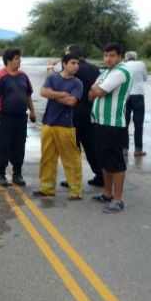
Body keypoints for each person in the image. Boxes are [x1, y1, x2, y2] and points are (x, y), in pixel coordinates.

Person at [89, 43, 132, 213]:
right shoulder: (107, 72)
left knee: (116, 161)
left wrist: (96, 87)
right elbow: (91, 94)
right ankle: (107, 193)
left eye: (112, 55)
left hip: (113, 124)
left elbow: (98, 92)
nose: (108, 58)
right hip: (100, 121)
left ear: (120, 56)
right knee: (104, 160)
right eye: (106, 55)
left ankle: (118, 200)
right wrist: (96, 88)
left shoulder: (121, 72)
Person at [34, 53, 84, 200]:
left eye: (77, 63)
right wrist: (62, 94)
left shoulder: (77, 83)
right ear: (64, 64)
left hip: (66, 125)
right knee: (47, 157)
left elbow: (71, 102)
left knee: (71, 158)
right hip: (48, 123)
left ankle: (76, 191)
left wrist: (52, 95)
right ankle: (46, 188)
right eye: (73, 63)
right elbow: (43, 92)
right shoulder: (52, 78)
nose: (76, 66)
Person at [0, 48, 36, 187]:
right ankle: (1, 174)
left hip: (20, 118)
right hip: (3, 118)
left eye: (20, 58)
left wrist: (32, 111)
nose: (19, 60)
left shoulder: (23, 76)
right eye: (17, 58)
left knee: (19, 145)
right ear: (8, 61)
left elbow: (28, 95)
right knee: (2, 145)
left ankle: (17, 174)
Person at [58, 45, 104, 189]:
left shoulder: (72, 69)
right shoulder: (94, 69)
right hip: (90, 110)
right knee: (91, 145)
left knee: (72, 146)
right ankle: (100, 175)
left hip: (73, 110)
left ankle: (73, 178)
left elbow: (60, 84)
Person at [124, 51, 147, 157]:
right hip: (138, 95)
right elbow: (145, 78)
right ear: (136, 57)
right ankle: (138, 149)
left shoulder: (122, 65)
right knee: (138, 123)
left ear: (126, 58)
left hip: (125, 95)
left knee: (124, 122)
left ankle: (124, 149)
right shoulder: (141, 64)